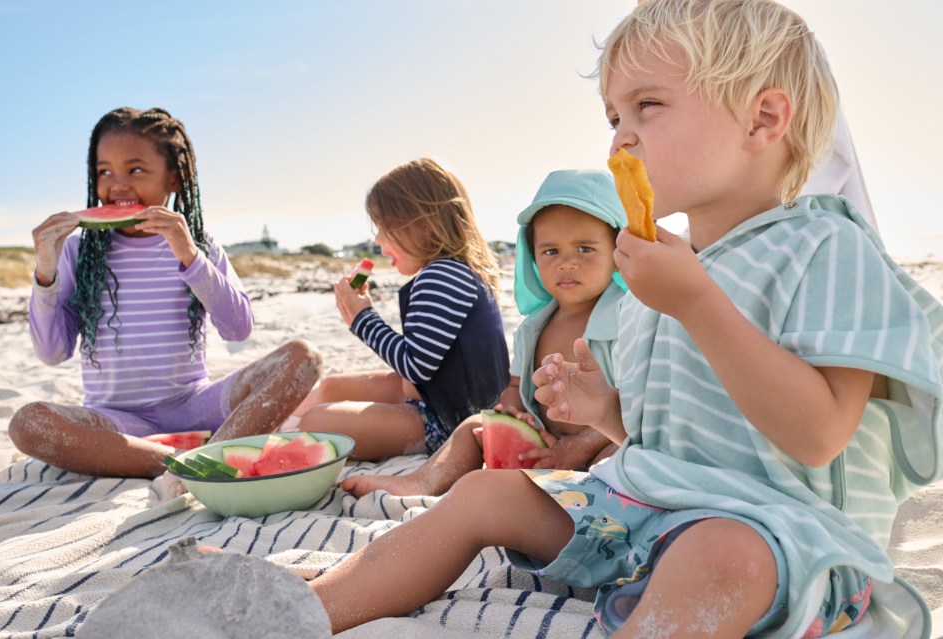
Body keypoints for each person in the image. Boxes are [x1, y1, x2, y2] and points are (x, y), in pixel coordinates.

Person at [291, 1, 943, 636]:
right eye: (613, 115)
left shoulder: (826, 247)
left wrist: (697, 301)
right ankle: (299, 610)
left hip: (780, 534)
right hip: (644, 504)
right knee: (484, 494)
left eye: (647, 105)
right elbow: (668, 435)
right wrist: (605, 409)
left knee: (721, 558)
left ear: (763, 119)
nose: (620, 135)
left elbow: (819, 434)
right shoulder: (660, 266)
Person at [8, 107, 322, 479]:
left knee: (304, 358)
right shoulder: (78, 253)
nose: (117, 184)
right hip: (118, 421)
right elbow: (52, 352)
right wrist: (45, 272)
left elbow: (238, 329)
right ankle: (196, 461)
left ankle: (201, 454)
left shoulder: (198, 244)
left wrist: (189, 256)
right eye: (104, 171)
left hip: (195, 405)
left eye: (135, 170)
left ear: (176, 178)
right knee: (27, 423)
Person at [342, 169, 627, 497]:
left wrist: (578, 446)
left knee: (622, 456)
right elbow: (516, 386)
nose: (567, 263)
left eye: (585, 249)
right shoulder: (534, 325)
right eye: (551, 251)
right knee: (473, 427)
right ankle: (421, 482)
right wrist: (513, 413)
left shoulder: (626, 317)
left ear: (617, 252)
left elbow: (636, 406)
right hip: (543, 444)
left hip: (603, 441)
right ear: (532, 256)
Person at [284, 158, 510, 461]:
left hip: (449, 423)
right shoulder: (452, 271)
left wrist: (362, 318)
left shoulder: (441, 276)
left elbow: (416, 365)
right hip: (434, 399)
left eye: (384, 227)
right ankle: (276, 435)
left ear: (423, 225)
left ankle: (280, 442)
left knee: (317, 422)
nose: (377, 240)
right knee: (330, 387)